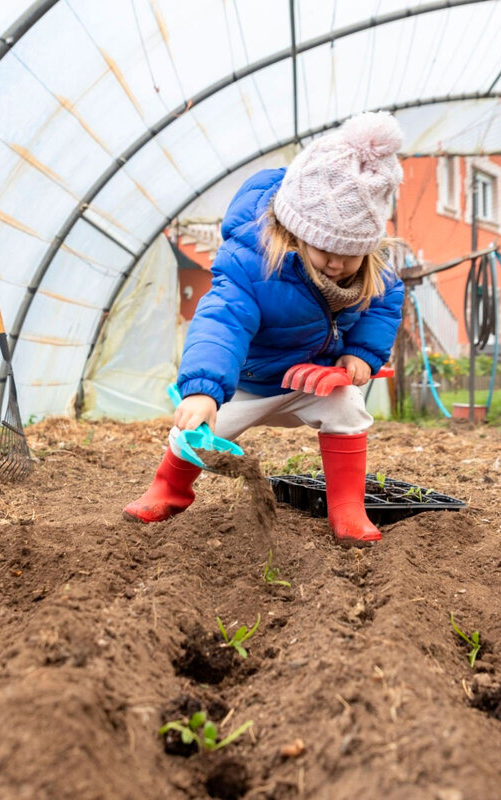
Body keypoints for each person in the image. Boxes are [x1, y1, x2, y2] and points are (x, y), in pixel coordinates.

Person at [123, 111, 406, 547]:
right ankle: (168, 489)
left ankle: (348, 509)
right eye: (325, 249)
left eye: (350, 254)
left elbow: (384, 304)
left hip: (310, 380)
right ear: (295, 231)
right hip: (249, 383)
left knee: (347, 407)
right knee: (197, 433)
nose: (337, 263)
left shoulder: (372, 272)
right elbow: (223, 319)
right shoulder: (253, 263)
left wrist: (360, 356)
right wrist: (203, 389)